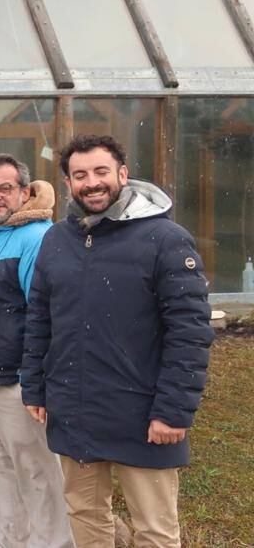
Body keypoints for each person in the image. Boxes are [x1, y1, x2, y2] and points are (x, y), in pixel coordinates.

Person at [21, 134, 214, 548]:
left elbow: (190, 332)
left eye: (101, 172)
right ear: (68, 183)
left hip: (144, 414)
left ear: (122, 175)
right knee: (86, 518)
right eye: (80, 175)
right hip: (74, 409)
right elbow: (39, 318)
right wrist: (35, 387)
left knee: (154, 531)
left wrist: (173, 411)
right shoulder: (57, 239)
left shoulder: (165, 239)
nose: (92, 183)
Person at [0, 154, 73, 548]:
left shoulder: (37, 239)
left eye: (4, 188)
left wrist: (36, 382)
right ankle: (7, 540)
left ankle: (52, 543)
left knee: (37, 476)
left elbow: (46, 318)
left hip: (16, 384)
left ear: (25, 191)